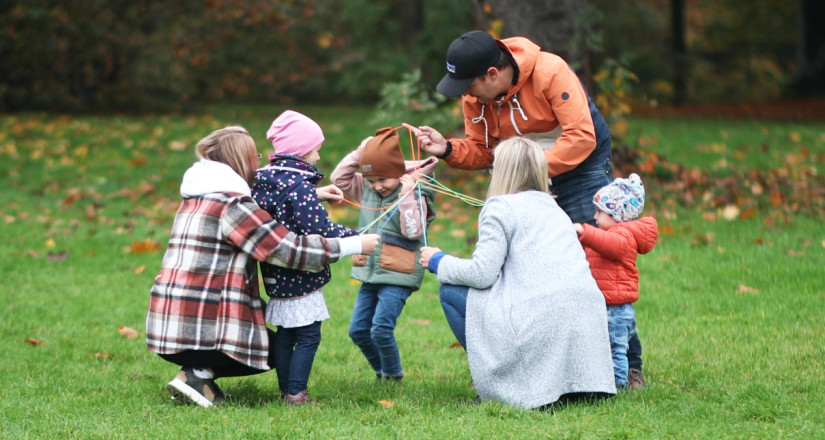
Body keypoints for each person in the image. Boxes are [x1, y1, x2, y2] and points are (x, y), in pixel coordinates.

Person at [407, 30, 645, 388]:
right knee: (523, 261)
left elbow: (581, 136)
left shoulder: (550, 71)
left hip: (580, 164)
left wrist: (527, 172)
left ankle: (627, 362)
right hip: (524, 171)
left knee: (597, 263)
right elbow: (483, 151)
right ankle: (535, 359)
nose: (465, 95)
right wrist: (447, 150)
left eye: (468, 85)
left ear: (493, 74)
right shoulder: (475, 96)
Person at [146, 126, 380, 408]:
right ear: (242, 159)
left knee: (269, 345)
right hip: (198, 322)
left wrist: (310, 196)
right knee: (266, 352)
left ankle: (196, 374)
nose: (259, 161)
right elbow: (286, 249)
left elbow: (263, 209)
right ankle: (197, 371)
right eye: (254, 155)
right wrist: (353, 244)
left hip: (171, 318)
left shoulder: (199, 194)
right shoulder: (233, 205)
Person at [419, 137, 616, 409]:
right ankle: (573, 385)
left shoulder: (499, 207)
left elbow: (482, 274)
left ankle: (496, 379)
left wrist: (438, 261)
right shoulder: (555, 208)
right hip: (586, 319)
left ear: (501, 171)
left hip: (538, 316)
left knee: (450, 291)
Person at [251, 110, 359, 406]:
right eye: (316, 149)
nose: (319, 156)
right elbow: (319, 229)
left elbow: (283, 205)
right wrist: (355, 235)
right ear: (301, 151)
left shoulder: (264, 179)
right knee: (309, 335)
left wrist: (316, 193)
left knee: (286, 334)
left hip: (274, 271)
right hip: (301, 274)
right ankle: (297, 393)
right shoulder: (300, 187)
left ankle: (287, 390)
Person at [330, 127, 438, 382]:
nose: (377, 186)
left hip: (398, 274)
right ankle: (382, 372)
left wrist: (407, 196)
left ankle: (392, 377)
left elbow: (413, 232)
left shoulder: (416, 191)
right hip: (370, 272)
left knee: (381, 329)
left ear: (399, 173)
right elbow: (339, 178)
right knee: (358, 330)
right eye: (371, 180)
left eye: (383, 180)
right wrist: (361, 153)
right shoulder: (367, 190)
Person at [573, 173, 658, 389]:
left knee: (615, 349)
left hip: (616, 310)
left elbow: (609, 243)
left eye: (599, 212)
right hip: (608, 305)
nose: (595, 216)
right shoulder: (610, 233)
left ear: (617, 215)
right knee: (611, 347)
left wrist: (584, 232)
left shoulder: (622, 237)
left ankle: (618, 384)